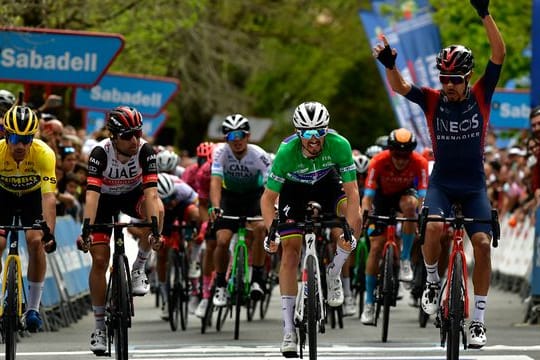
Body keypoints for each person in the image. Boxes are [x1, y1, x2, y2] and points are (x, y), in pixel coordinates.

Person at [372, 0, 505, 348]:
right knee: (431, 226)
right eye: (444, 79)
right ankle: (431, 280)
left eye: (455, 80)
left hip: (473, 184)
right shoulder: (432, 100)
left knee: (482, 245)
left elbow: (499, 54)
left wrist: (484, 14)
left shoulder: (481, 94)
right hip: (443, 183)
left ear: (467, 78)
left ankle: (477, 320)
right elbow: (401, 87)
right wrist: (390, 65)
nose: (448, 85)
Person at [260, 101, 361, 357]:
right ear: (297, 133)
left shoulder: (340, 145)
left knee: (352, 218)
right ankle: (288, 331)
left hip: (328, 184)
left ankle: (334, 271)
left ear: (327, 130)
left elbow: (352, 191)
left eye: (319, 131)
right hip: (294, 191)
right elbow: (268, 199)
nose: (314, 138)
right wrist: (270, 230)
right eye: (306, 133)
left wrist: (349, 227)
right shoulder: (286, 151)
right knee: (290, 253)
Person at [76, 106, 164, 354]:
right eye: (128, 136)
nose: (135, 140)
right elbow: (91, 197)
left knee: (159, 209)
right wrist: (87, 231)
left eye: (138, 133)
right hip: (103, 202)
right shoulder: (99, 153)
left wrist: (155, 231)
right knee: (100, 260)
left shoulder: (145, 151)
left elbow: (151, 193)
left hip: (132, 196)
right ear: (113, 136)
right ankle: (99, 327)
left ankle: (139, 267)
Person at [359, 128, 428, 325]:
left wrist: (421, 217)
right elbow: (368, 197)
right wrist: (365, 214)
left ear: (411, 154)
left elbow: (422, 198)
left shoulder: (419, 163)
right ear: (390, 151)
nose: (400, 160)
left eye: (405, 155)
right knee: (375, 248)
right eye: (397, 154)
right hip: (381, 198)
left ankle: (405, 259)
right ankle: (370, 304)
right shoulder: (378, 161)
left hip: (405, 195)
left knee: (410, 206)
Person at [0, 105, 57, 332]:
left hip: (32, 198)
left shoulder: (44, 153)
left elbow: (49, 198)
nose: (21, 145)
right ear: (5, 135)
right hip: (3, 196)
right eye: (15, 138)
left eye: (26, 139)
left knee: (35, 241)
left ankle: (33, 308)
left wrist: (49, 233)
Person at [209, 114, 271, 308]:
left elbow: (271, 184)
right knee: (222, 240)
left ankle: (258, 278)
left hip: (255, 197)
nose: (236, 140)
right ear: (225, 139)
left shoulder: (259, 154)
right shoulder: (220, 153)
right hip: (230, 198)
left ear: (248, 136)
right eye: (231, 136)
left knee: (261, 228)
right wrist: (216, 206)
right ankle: (220, 282)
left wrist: (273, 207)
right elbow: (216, 182)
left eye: (240, 135)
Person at [156, 172, 200, 319]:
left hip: (183, 207)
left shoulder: (183, 189)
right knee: (161, 254)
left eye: (172, 198)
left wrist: (193, 230)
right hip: (161, 212)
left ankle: (191, 257)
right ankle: (165, 298)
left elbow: (198, 205)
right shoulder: (149, 195)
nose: (171, 202)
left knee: (194, 212)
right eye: (167, 200)